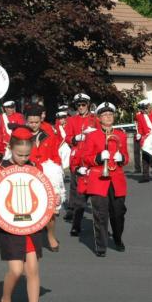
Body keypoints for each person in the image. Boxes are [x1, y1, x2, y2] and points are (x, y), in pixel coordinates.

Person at [0, 126, 49, 302]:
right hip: (9, 225)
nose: (23, 158)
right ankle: (6, 299)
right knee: (16, 270)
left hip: (32, 224)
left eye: (27, 154)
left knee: (33, 268)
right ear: (10, 148)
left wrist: (51, 204)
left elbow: (43, 193)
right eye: (19, 154)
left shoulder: (36, 168)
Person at [82, 102, 128, 256]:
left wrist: (122, 158)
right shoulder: (92, 136)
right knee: (101, 214)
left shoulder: (120, 134)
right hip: (98, 180)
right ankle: (101, 246)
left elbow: (126, 157)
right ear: (99, 118)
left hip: (117, 180)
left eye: (110, 114)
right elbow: (85, 158)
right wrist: (98, 157)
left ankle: (117, 237)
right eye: (104, 115)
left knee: (118, 213)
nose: (108, 117)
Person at [26, 105, 63, 251]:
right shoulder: (20, 135)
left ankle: (51, 235)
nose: (34, 125)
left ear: (40, 121)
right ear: (27, 121)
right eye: (31, 122)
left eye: (36, 122)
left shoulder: (49, 134)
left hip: (48, 175)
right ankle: (29, 239)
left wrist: (56, 169)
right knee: (29, 209)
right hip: (28, 175)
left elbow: (55, 156)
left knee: (50, 211)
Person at [63, 93, 99, 223]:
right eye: (78, 105)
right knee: (74, 184)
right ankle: (72, 209)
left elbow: (101, 135)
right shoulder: (72, 120)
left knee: (94, 182)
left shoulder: (95, 119)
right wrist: (75, 138)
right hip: (77, 155)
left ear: (88, 105)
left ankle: (96, 209)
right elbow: (67, 137)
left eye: (83, 104)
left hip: (91, 155)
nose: (81, 107)